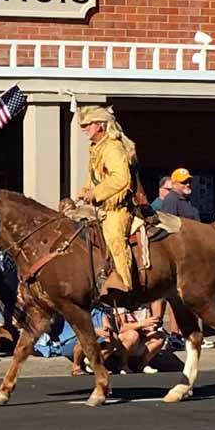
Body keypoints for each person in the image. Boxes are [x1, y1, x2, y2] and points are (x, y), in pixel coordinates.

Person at [76, 105, 137, 299]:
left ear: (100, 125)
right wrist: (85, 191)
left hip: (116, 208)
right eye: (82, 125)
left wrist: (96, 193)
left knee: (113, 236)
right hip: (99, 206)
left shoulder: (112, 147)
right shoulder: (96, 147)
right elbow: (95, 176)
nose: (83, 128)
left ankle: (123, 286)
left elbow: (121, 178)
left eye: (87, 124)